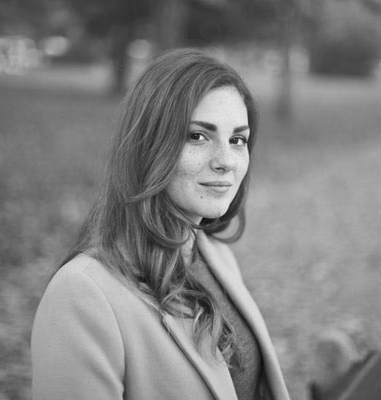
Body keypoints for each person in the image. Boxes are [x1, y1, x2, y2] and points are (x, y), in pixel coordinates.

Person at [31, 48, 290, 400]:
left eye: (237, 140)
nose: (226, 161)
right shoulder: (82, 294)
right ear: (148, 146)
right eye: (198, 136)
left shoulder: (214, 255)